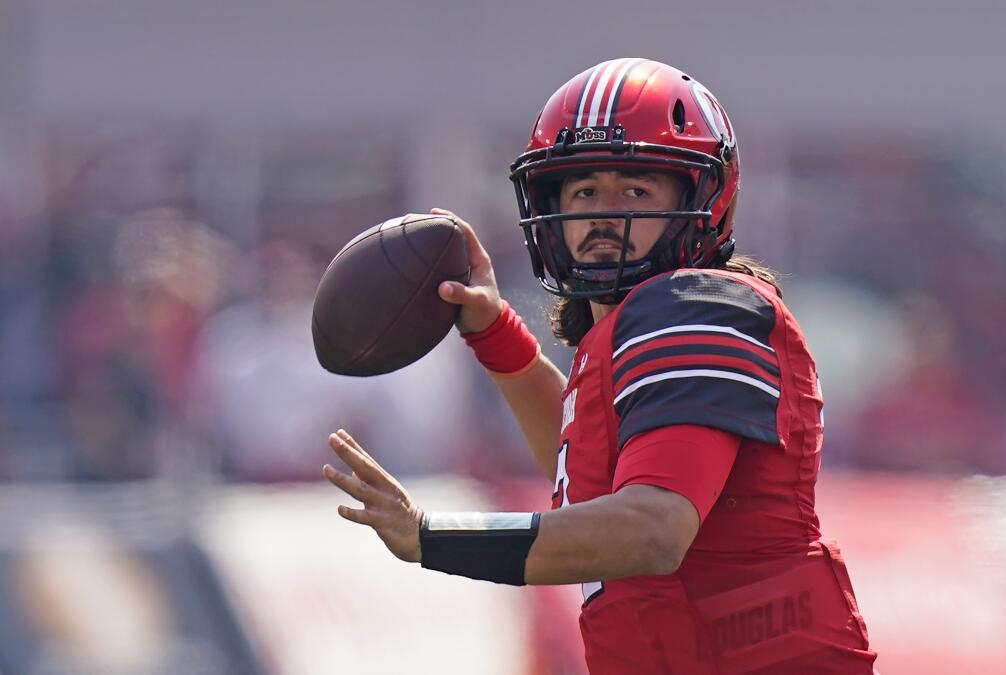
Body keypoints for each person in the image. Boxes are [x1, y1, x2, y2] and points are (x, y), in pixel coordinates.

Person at [322, 58, 877, 673]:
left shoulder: (695, 306)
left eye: (636, 190)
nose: (605, 214)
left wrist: (430, 535)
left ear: (703, 198)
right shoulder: (631, 330)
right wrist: (494, 332)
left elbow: (651, 528)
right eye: (584, 190)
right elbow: (587, 474)